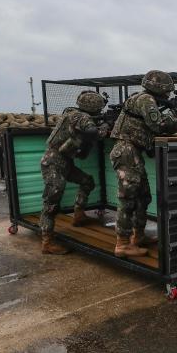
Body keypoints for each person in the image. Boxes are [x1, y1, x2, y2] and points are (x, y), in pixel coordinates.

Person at [110, 70, 177, 257]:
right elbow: (157, 126)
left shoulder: (143, 98)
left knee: (143, 197)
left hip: (132, 152)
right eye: (166, 90)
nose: (168, 94)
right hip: (127, 152)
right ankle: (123, 244)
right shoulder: (146, 100)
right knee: (128, 199)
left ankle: (138, 236)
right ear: (158, 88)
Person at [39, 91, 108, 254]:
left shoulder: (72, 113)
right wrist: (104, 127)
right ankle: (47, 243)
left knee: (87, 181)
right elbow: (92, 132)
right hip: (54, 163)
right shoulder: (82, 117)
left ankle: (79, 215)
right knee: (51, 204)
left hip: (63, 163)